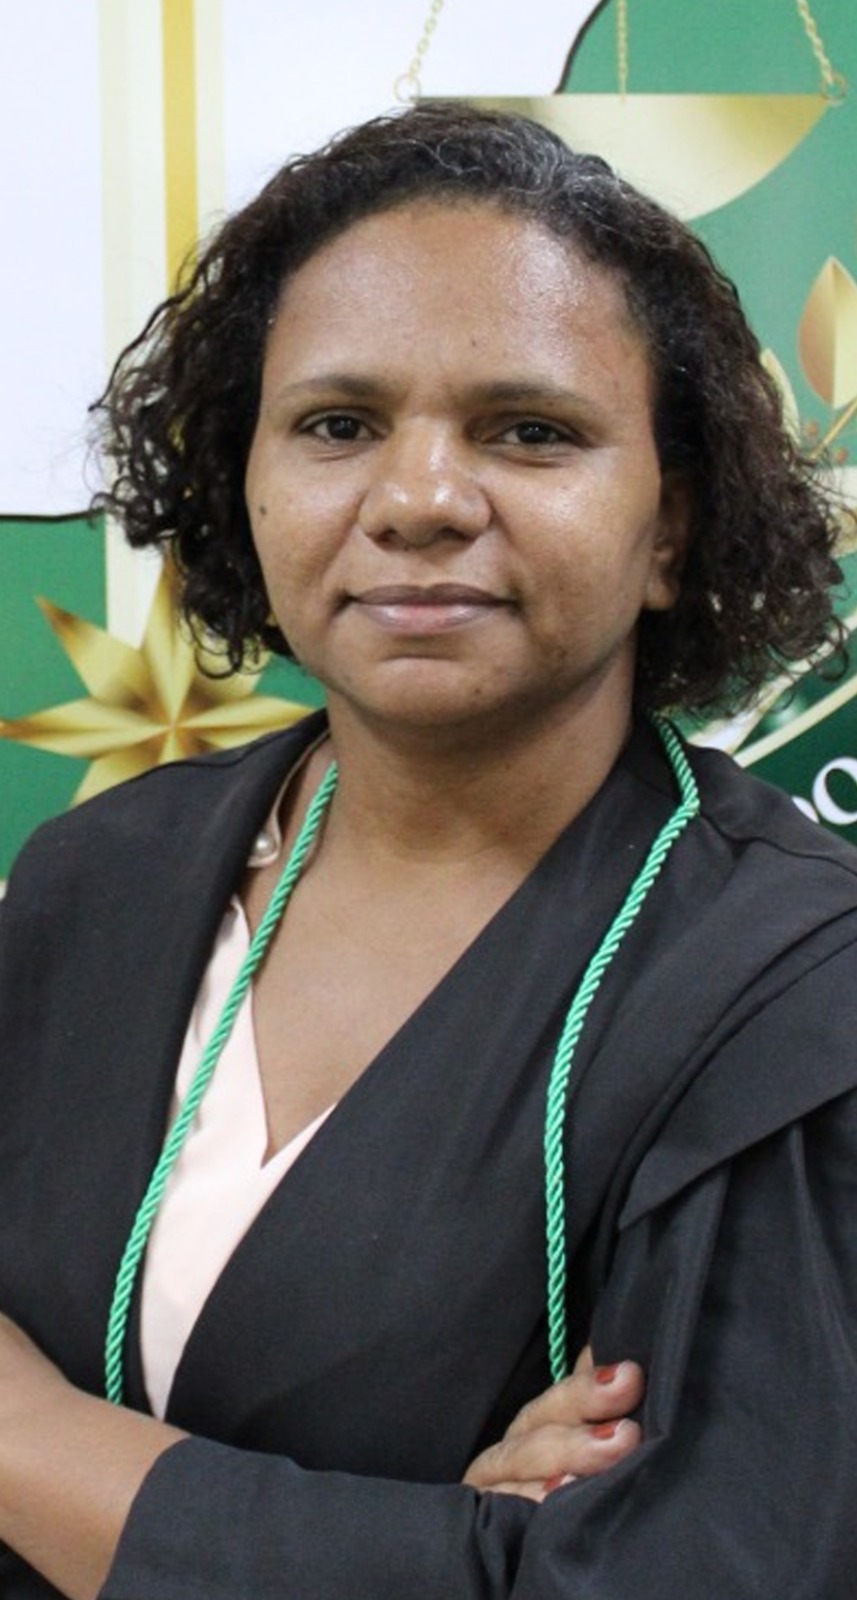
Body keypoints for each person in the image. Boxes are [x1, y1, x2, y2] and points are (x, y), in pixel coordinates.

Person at [0, 98, 855, 1600]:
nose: (418, 502)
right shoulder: (94, 881)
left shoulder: (791, 988)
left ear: (669, 528)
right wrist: (436, 1538)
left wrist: (22, 1435)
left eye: (531, 432)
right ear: (243, 479)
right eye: (338, 426)